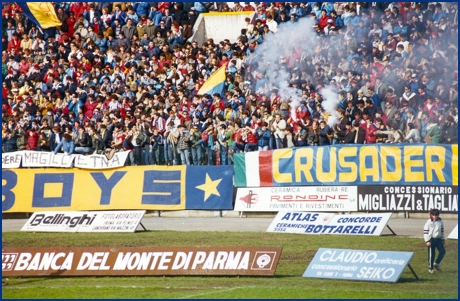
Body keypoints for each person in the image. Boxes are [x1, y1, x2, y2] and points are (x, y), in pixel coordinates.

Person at [423, 209, 446, 274]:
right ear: (431, 215)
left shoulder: (440, 221)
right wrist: (427, 241)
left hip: (438, 239)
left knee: (442, 252)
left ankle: (436, 263)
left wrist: (442, 239)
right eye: (433, 215)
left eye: (436, 215)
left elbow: (442, 230)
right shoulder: (429, 221)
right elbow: (425, 232)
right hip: (431, 239)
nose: (435, 217)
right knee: (431, 254)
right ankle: (430, 268)